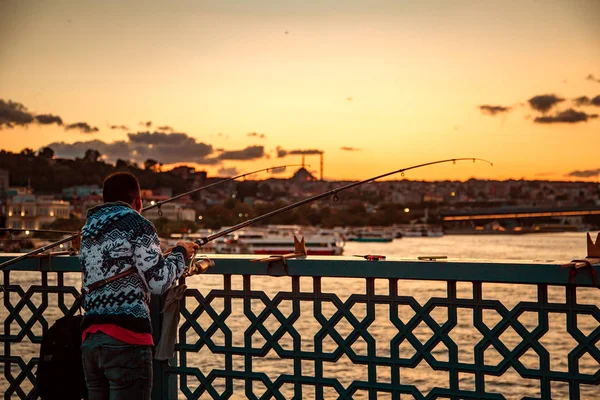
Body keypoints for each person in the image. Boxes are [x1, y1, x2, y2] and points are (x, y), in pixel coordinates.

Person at [80, 172, 198, 399]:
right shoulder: (138, 224)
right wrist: (181, 253)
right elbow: (159, 281)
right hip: (126, 339)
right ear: (138, 200)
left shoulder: (89, 230)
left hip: (91, 340)